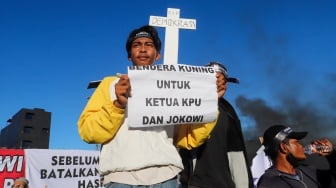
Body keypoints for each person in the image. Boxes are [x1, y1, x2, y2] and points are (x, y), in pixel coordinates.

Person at [77, 25, 226, 188]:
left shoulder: (173, 89)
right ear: (129, 56)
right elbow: (88, 133)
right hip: (121, 180)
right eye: (136, 45)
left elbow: (189, 138)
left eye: (149, 45)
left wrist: (211, 101)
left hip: (166, 178)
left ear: (157, 55)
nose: (142, 49)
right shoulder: (109, 85)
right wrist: (118, 105)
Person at [174, 62, 254, 188]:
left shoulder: (229, 113)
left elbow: (236, 152)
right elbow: (182, 142)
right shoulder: (188, 107)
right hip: (194, 183)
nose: (216, 82)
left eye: (220, 79)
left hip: (226, 184)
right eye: (210, 78)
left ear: (225, 84)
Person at [257, 124, 336, 188]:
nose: (301, 146)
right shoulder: (269, 183)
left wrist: (332, 154)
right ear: (284, 147)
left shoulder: (307, 170)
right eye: (297, 142)